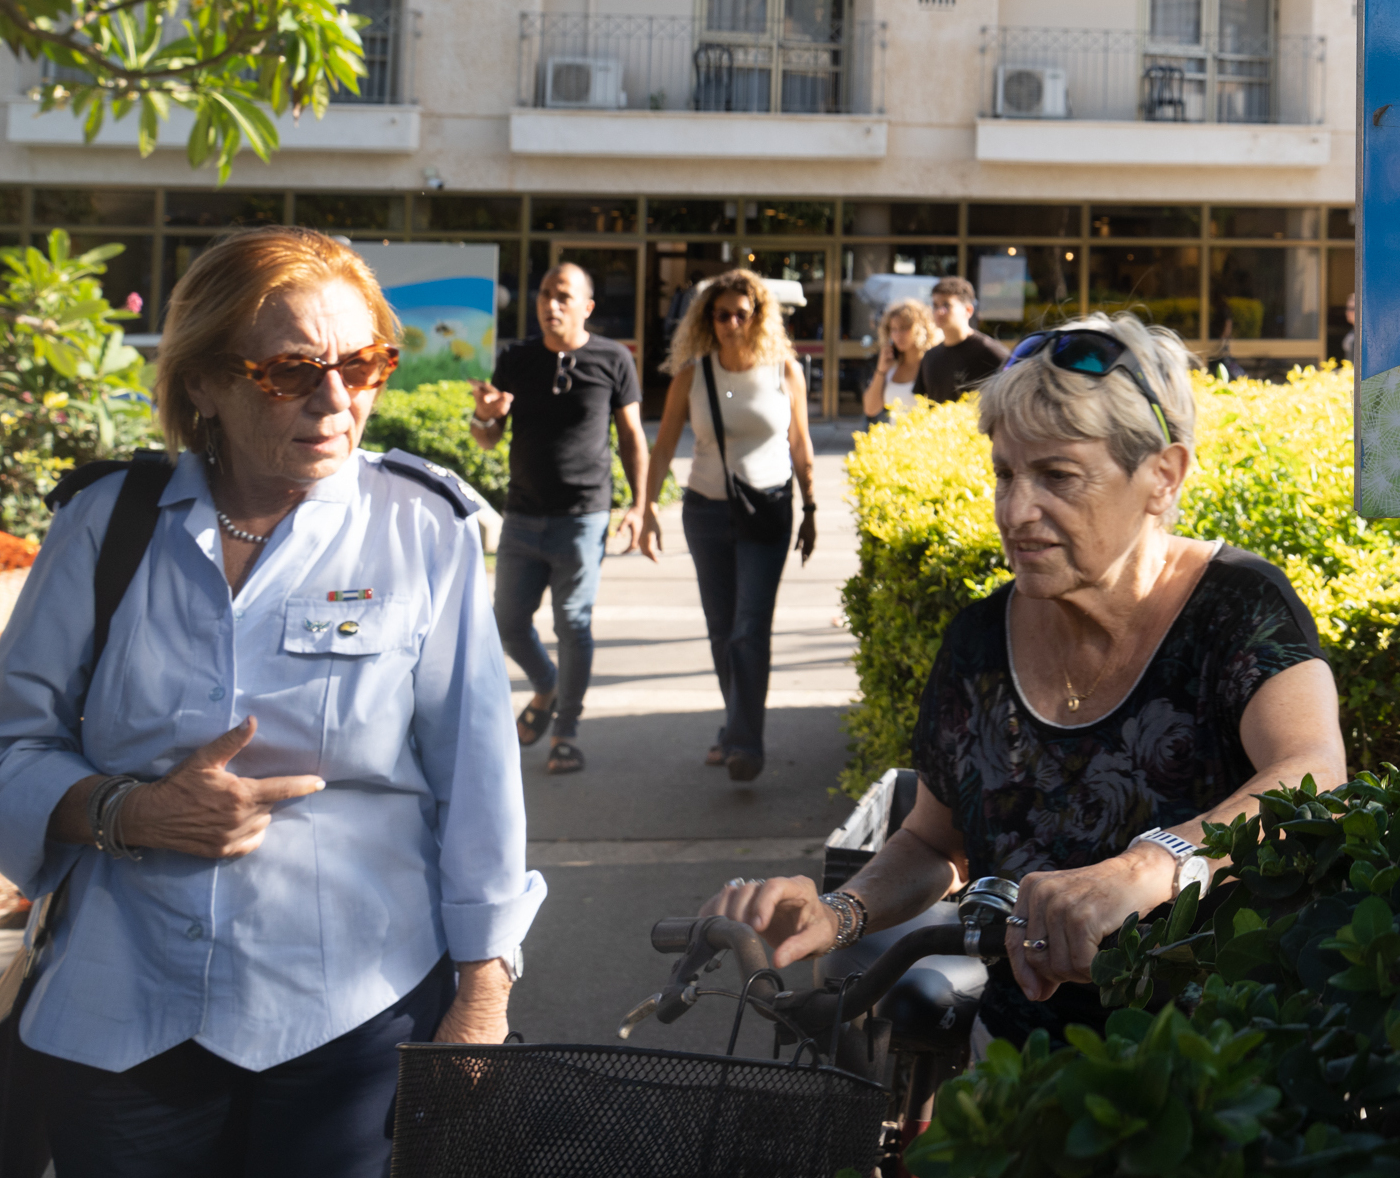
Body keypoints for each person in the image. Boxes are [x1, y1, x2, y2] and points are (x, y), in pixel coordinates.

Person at [0, 226, 539, 1178]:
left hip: (351, 1015)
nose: (337, 402)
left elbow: (480, 778)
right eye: (290, 371)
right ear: (204, 381)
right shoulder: (105, 526)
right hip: (124, 1015)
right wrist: (127, 812)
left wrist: (482, 991)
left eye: (364, 364)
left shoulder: (424, 530)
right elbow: (14, 742)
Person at [702, 314, 1346, 1048]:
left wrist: (1146, 868)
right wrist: (838, 912)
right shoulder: (979, 640)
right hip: (1020, 1064)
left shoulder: (1237, 605)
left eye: (1059, 477)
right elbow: (934, 842)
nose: (1016, 510)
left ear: (1163, 477)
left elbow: (1314, 773)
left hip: (1216, 1062)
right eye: (1006, 472)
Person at [636, 270, 817, 784]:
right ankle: (735, 726)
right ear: (707, 319)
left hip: (769, 511)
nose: (733, 323)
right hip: (707, 511)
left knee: (747, 629)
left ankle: (743, 743)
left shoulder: (784, 370)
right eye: (722, 314)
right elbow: (664, 445)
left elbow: (801, 442)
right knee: (722, 632)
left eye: (744, 313)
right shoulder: (693, 375)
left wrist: (812, 507)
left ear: (759, 315)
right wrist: (647, 509)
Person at [469, 262, 648, 775]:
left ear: (586, 306)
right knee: (506, 623)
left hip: (583, 515)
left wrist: (640, 504)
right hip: (523, 515)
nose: (552, 304)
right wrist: (486, 414)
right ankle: (546, 686)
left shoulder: (613, 359)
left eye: (564, 296)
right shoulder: (517, 359)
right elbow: (488, 436)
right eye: (545, 294)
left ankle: (565, 730)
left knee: (573, 623)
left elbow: (633, 437)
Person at [914, 276, 1006, 404]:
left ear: (968, 310)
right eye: (935, 305)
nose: (939, 312)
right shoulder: (930, 356)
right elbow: (921, 405)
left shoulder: (988, 350)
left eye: (947, 305)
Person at [860, 297, 930, 427]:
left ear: (920, 328)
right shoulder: (892, 366)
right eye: (893, 329)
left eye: (904, 328)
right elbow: (870, 409)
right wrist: (881, 370)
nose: (898, 335)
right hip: (895, 444)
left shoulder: (931, 363)